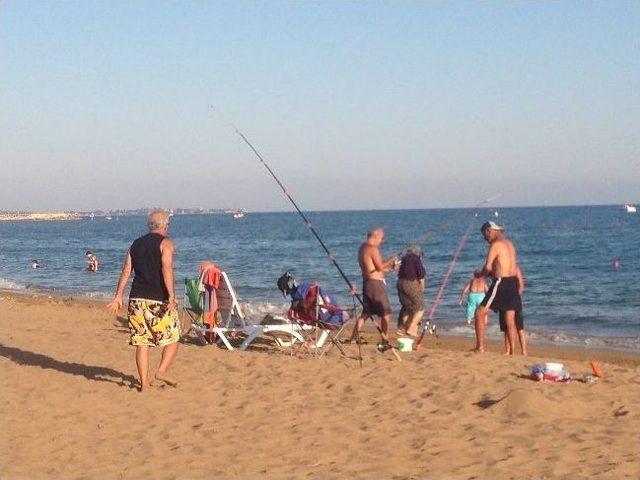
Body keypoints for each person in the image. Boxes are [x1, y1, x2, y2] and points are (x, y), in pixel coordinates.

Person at [106, 209, 180, 391]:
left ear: (149, 226)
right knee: (174, 337)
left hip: (137, 299)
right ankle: (161, 371)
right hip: (158, 300)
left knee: (142, 342)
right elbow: (166, 268)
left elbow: (126, 271)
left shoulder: (135, 244)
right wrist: (171, 296)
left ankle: (144, 384)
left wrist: (118, 296)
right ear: (166, 226)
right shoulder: (166, 243)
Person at [474, 221, 522, 354]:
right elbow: (504, 266)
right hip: (513, 282)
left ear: (489, 231)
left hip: (501, 282)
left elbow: (488, 266)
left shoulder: (495, 245)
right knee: (510, 319)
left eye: (485, 235)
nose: (485, 239)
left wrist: (480, 275)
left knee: (479, 313)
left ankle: (480, 347)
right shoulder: (510, 244)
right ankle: (512, 351)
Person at [347, 227, 398, 347]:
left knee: (366, 313)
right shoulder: (372, 248)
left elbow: (373, 268)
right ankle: (384, 340)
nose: (382, 241)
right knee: (386, 314)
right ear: (376, 236)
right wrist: (392, 259)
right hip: (375, 285)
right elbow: (379, 267)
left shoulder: (362, 248)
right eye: (382, 238)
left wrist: (390, 269)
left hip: (368, 283)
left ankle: (353, 338)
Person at [396, 244, 426, 338]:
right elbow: (421, 276)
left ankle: (401, 329)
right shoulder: (416, 259)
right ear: (419, 254)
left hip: (400, 283)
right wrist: (421, 289)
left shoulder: (404, 258)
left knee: (407, 307)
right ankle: (412, 328)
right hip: (410, 284)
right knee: (420, 308)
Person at [499, 265, 527, 355]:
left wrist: (515, 296)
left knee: (519, 327)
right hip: (503, 300)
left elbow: (522, 286)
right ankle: (508, 350)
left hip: (513, 300)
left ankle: (524, 351)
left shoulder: (515, 268)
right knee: (506, 327)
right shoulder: (500, 269)